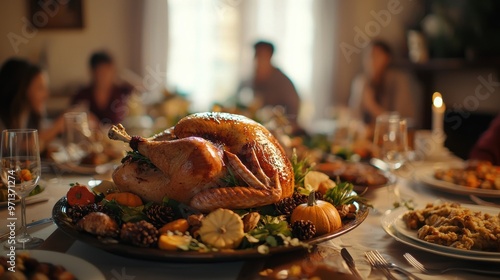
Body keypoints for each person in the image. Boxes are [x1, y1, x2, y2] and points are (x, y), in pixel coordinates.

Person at [349, 40, 421, 128]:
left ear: (387, 58)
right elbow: (354, 117)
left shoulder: (398, 81)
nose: (371, 60)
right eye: (368, 56)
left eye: (376, 56)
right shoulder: (361, 82)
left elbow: (404, 121)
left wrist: (372, 106)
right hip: (368, 136)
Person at [0, 58, 64, 151]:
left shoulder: (28, 113)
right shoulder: (3, 119)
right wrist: (58, 126)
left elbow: (39, 139)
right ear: (22, 89)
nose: (46, 95)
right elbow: (12, 150)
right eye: (40, 88)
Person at [237, 41, 300, 121]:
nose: (258, 61)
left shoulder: (283, 83)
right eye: (257, 56)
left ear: (270, 57)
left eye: (262, 56)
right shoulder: (249, 81)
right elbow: (238, 100)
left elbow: (293, 110)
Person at [71, 51, 133, 125]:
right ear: (93, 72)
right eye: (100, 71)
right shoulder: (82, 95)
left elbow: (142, 91)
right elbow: (72, 117)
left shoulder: (123, 92)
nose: (105, 75)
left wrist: (125, 76)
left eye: (108, 70)